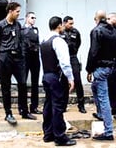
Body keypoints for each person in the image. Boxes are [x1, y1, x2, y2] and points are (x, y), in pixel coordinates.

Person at [86, 10, 116, 141]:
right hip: (110, 66)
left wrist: (89, 69)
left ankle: (108, 130)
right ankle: (101, 114)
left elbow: (93, 52)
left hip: (101, 67)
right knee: (95, 88)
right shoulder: (113, 31)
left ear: (96, 19)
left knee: (104, 99)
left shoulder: (97, 31)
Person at [0, 2, 36, 125]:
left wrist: (21, 55)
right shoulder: (0, 26)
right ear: (10, 11)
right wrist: (5, 52)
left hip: (18, 58)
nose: (18, 14)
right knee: (6, 86)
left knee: (22, 84)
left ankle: (24, 110)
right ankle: (8, 113)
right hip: (5, 57)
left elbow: (21, 41)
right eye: (17, 11)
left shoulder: (18, 25)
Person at [40, 16, 76, 146]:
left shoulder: (44, 40)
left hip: (46, 76)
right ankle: (60, 137)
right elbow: (65, 63)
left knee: (48, 105)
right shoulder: (59, 41)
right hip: (57, 77)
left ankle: (48, 134)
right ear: (59, 26)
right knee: (58, 106)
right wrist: (71, 78)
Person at [61, 16, 86, 114]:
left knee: (78, 81)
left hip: (73, 57)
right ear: (64, 23)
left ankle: (81, 105)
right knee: (64, 82)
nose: (72, 25)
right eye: (70, 23)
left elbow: (78, 43)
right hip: (63, 59)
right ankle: (63, 105)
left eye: (72, 23)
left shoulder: (76, 32)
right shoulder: (60, 32)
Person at [21, 11, 42, 115]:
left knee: (35, 83)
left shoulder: (35, 30)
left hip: (35, 58)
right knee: (23, 83)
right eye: (32, 18)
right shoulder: (22, 30)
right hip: (25, 58)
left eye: (35, 18)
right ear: (27, 18)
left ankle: (34, 107)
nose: (33, 20)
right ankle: (22, 107)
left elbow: (37, 43)